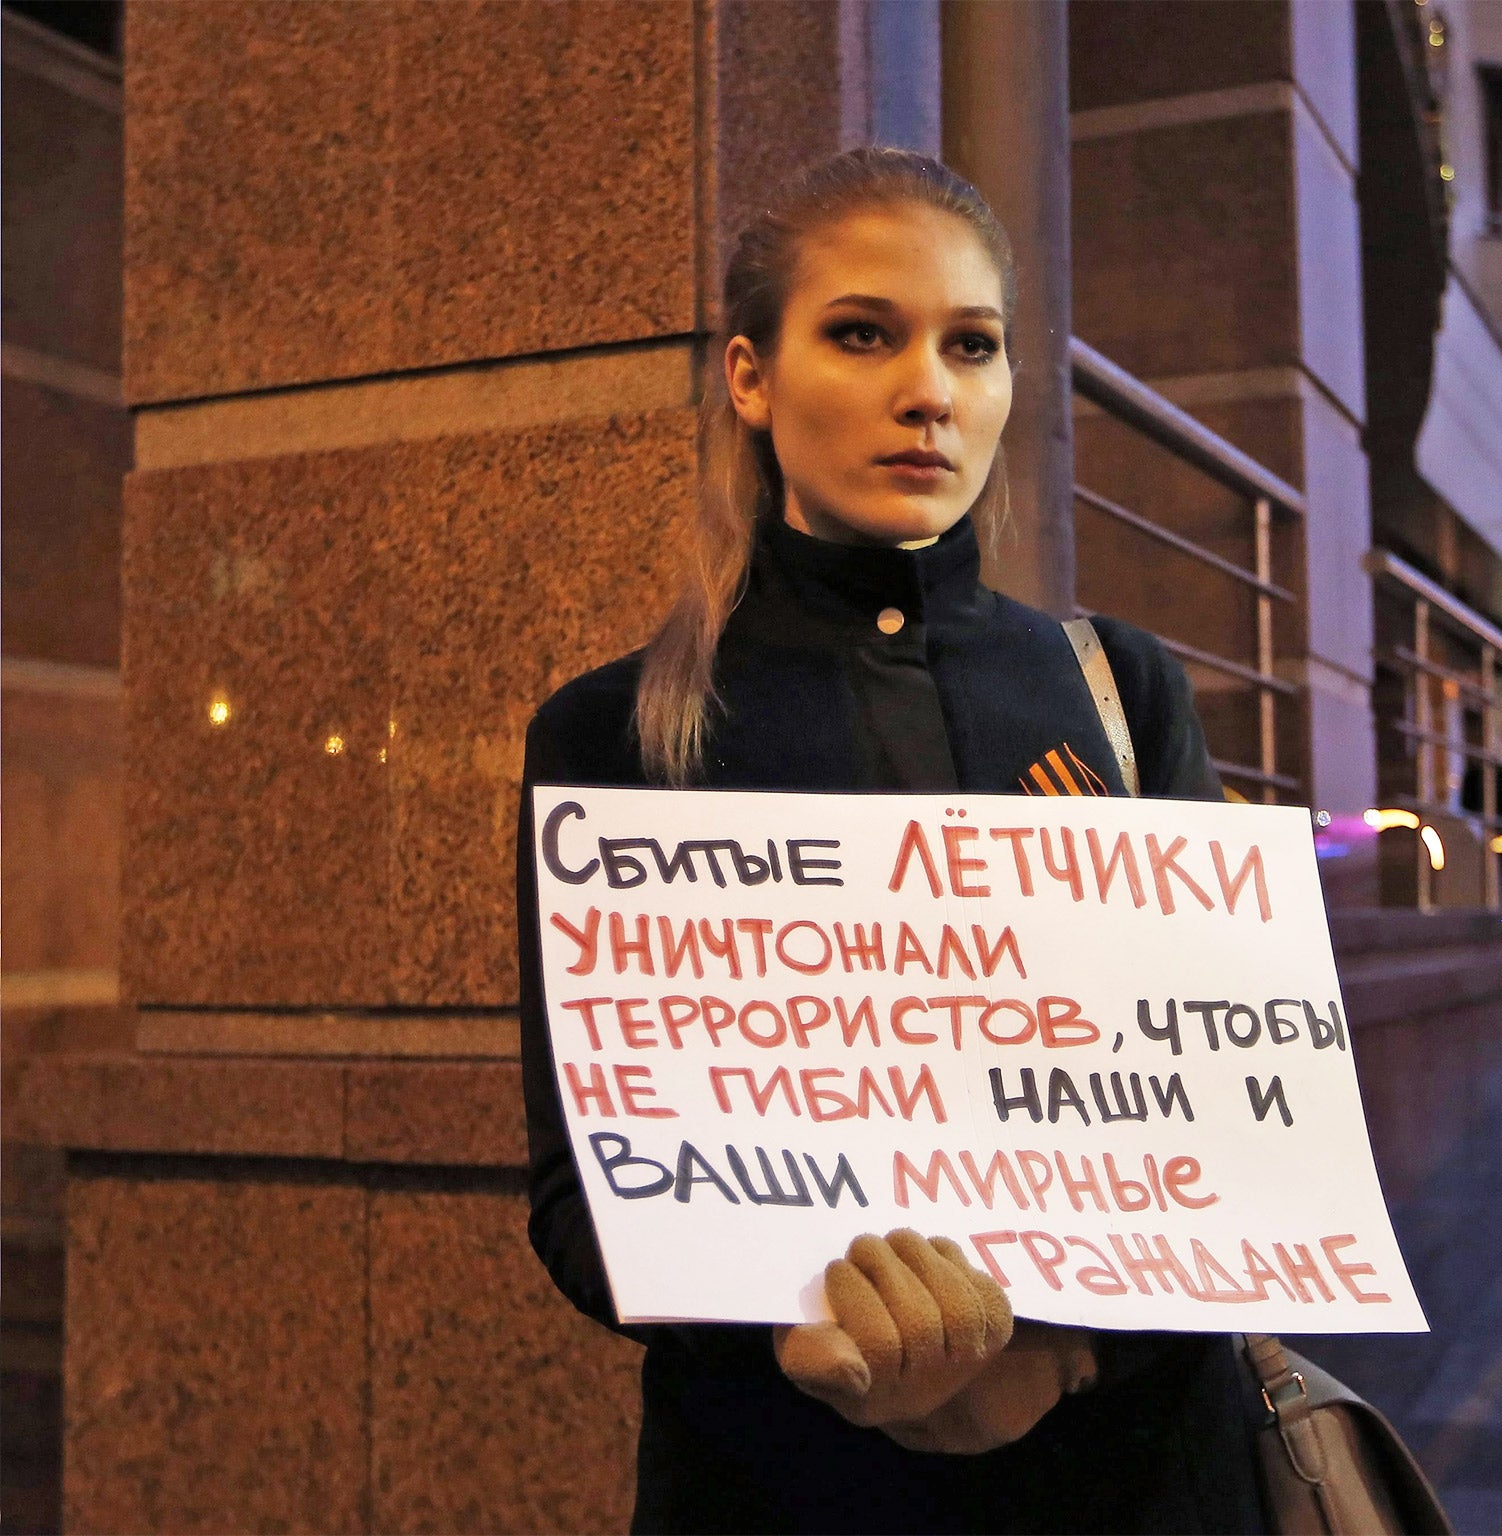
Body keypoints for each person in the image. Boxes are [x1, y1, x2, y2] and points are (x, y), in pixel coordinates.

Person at [516, 147, 1268, 1535]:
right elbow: (580, 1200)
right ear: (750, 375)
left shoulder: (1121, 691)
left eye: (971, 346)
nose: (928, 390)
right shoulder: (613, 735)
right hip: (787, 1483)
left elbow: (1236, 1134)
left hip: (1142, 1472)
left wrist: (1060, 1362)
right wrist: (800, 1344)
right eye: (862, 333)